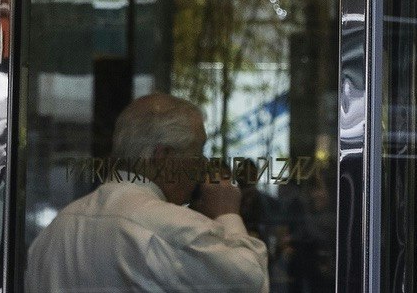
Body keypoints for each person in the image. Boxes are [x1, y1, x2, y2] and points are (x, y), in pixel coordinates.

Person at [26, 94, 267, 293]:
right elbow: (251, 284)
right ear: (163, 157)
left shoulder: (54, 232)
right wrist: (226, 215)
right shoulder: (172, 230)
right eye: (197, 152)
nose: (202, 165)